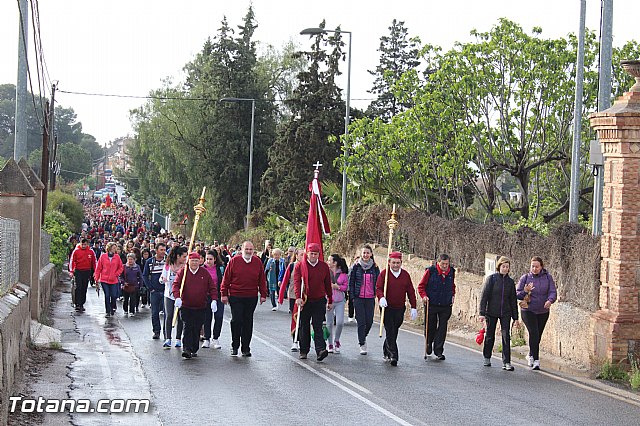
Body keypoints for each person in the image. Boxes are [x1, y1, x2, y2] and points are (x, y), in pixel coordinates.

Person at [220, 241, 268, 356]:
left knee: (248, 321)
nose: (249, 251)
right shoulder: (234, 261)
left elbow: (262, 279)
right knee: (237, 320)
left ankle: (246, 348)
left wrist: (263, 294)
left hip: (251, 296)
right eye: (246, 249)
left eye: (251, 249)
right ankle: (235, 345)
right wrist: (224, 294)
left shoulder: (257, 262)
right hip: (236, 296)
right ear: (242, 249)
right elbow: (226, 279)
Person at [173, 252, 217, 359]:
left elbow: (212, 287)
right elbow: (176, 285)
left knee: (196, 327)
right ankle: (186, 349)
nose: (194, 263)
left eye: (196, 261)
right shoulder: (183, 272)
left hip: (200, 306)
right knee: (187, 326)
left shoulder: (204, 273)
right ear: (188, 261)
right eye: (192, 261)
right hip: (186, 305)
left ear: (200, 262)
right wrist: (177, 297)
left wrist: (214, 300)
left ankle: (194, 348)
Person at [376, 252, 417, 366]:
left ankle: (386, 349)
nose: (395, 265)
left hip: (399, 308)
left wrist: (413, 306)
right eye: (393, 263)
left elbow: (411, 291)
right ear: (389, 262)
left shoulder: (405, 275)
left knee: (394, 330)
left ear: (401, 263)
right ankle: (394, 355)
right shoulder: (384, 274)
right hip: (387, 307)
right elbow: (378, 288)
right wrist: (381, 297)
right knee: (390, 330)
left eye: (398, 263)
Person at [516, 256, 557, 371]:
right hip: (528, 310)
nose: (534, 268)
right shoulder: (525, 278)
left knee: (537, 335)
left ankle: (530, 354)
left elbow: (552, 291)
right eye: (532, 266)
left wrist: (550, 300)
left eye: (537, 266)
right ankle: (536, 360)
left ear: (541, 267)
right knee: (533, 333)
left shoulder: (548, 277)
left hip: (543, 311)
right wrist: (525, 290)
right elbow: (517, 294)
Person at [479, 256, 519, 371]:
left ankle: (506, 362)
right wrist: (482, 313)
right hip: (491, 312)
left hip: (505, 313)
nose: (505, 269)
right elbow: (484, 296)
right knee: (490, 335)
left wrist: (515, 318)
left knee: (506, 336)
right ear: (499, 267)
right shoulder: (491, 279)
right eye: (503, 266)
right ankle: (487, 357)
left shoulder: (510, 282)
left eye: (507, 267)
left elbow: (513, 301)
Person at [294, 243, 333, 361]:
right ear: (307, 254)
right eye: (311, 254)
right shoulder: (300, 266)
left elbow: (327, 284)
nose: (313, 256)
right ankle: (303, 350)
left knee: (318, 325)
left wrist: (330, 299)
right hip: (305, 300)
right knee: (304, 325)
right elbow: (297, 282)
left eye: (315, 254)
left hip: (319, 300)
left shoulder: (324, 266)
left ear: (318, 255)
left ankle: (320, 349)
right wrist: (298, 297)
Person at [418, 254, 455, 361]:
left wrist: (452, 295)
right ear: (438, 263)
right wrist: (424, 296)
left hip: (445, 304)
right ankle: (428, 343)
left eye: (447, 264)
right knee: (430, 326)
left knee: (443, 327)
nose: (445, 266)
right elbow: (421, 286)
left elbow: (452, 286)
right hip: (431, 303)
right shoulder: (430, 271)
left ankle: (439, 351)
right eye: (443, 264)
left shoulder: (451, 272)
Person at [348, 245, 380, 355]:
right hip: (358, 298)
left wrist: (378, 294)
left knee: (369, 322)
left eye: (368, 253)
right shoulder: (356, 267)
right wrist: (352, 296)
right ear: (361, 255)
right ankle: (362, 343)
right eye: (364, 253)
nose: (366, 255)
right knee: (361, 322)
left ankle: (363, 335)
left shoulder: (375, 268)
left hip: (370, 298)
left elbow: (379, 282)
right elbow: (351, 282)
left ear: (371, 254)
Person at [161, 246, 188, 349]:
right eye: (184, 257)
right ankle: (168, 338)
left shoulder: (185, 267)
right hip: (169, 294)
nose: (185, 259)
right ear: (178, 256)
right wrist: (163, 279)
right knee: (169, 315)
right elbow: (163, 276)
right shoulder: (168, 265)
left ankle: (178, 339)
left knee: (180, 317)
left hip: (181, 295)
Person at [279, 248, 304, 351]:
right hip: (294, 296)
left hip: (305, 297)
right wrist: (281, 295)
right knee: (296, 318)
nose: (303, 257)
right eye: (301, 255)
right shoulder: (292, 266)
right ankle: (295, 340)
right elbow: (285, 280)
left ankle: (303, 341)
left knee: (303, 320)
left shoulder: (308, 266)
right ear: (297, 255)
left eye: (304, 254)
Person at [143, 242, 167, 339]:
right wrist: (150, 288)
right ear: (156, 251)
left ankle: (166, 333)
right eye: (161, 250)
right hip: (154, 291)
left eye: (164, 250)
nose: (163, 252)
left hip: (166, 291)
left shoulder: (168, 261)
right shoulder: (149, 262)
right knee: (154, 312)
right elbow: (145, 275)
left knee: (167, 314)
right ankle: (156, 331)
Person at [94, 242, 124, 317]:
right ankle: (108, 311)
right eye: (114, 248)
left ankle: (113, 307)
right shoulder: (103, 257)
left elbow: (121, 267)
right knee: (107, 295)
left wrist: (116, 274)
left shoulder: (117, 257)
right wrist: (96, 279)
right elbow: (98, 268)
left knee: (113, 295)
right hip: (104, 279)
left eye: (115, 248)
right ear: (109, 248)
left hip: (114, 280)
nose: (115, 249)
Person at [202, 249, 225, 349]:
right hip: (206, 296)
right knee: (207, 318)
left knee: (219, 317)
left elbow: (224, 281)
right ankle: (206, 338)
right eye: (207, 259)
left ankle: (215, 338)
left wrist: (224, 294)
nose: (208, 261)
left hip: (218, 296)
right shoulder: (202, 269)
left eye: (210, 259)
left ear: (215, 259)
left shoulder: (220, 268)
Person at [326, 254, 349, 354]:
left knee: (340, 322)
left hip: (340, 301)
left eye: (329, 260)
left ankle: (337, 341)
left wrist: (337, 287)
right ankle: (329, 343)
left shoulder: (343, 275)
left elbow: (346, 287)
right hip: (329, 300)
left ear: (335, 262)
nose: (328, 262)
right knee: (329, 323)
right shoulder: (326, 273)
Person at [69, 238, 97, 312]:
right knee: (78, 286)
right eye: (82, 244)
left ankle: (82, 303)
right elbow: (72, 261)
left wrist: (95, 271)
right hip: (78, 271)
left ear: (87, 244)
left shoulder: (91, 252)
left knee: (84, 287)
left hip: (87, 271)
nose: (84, 246)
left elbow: (94, 262)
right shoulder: (76, 251)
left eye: (85, 244)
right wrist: (71, 271)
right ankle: (77, 303)